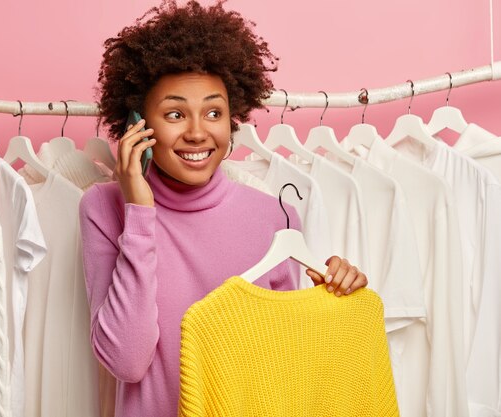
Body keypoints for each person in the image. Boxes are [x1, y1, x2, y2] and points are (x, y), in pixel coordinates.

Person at [79, 1, 369, 416]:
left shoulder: (275, 218)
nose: (198, 132)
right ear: (137, 125)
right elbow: (128, 360)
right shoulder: (104, 208)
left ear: (233, 118)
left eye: (213, 112)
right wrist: (140, 212)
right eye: (175, 113)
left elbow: (282, 368)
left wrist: (333, 302)